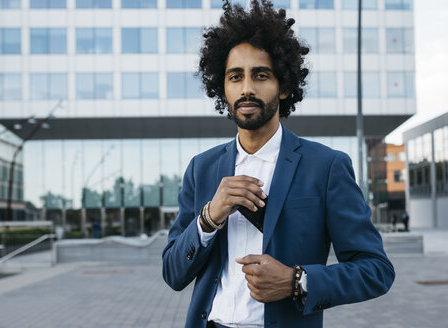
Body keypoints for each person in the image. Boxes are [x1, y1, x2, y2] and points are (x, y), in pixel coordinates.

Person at [162, 1, 395, 327]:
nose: (246, 88)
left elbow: (376, 270)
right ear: (222, 88)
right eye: (235, 77)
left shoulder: (326, 167)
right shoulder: (201, 169)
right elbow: (173, 273)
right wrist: (208, 217)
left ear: (284, 86)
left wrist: (296, 281)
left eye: (260, 75)